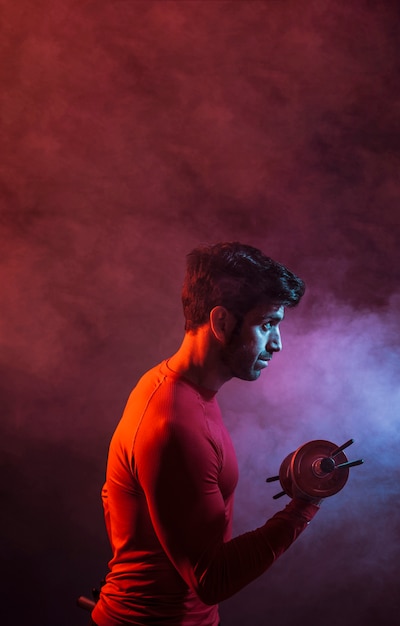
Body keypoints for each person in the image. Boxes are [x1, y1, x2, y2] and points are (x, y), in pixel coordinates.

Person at [91, 242, 321, 626]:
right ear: (222, 323)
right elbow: (211, 580)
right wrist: (305, 505)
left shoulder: (168, 385)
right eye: (266, 325)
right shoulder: (174, 423)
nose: (278, 344)